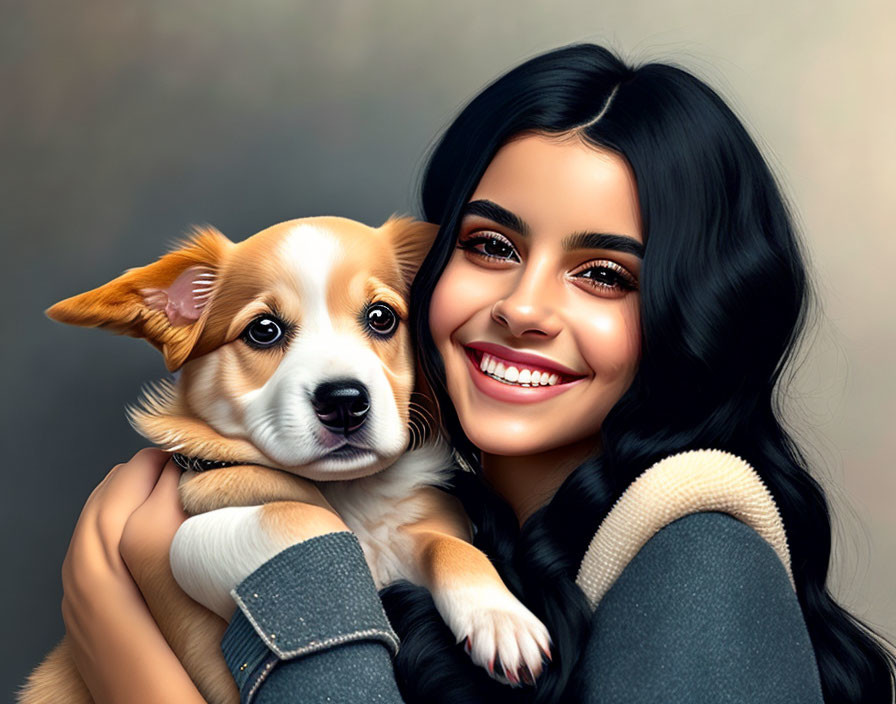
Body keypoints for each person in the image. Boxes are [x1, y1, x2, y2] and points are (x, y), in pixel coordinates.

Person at [59, 44, 896, 703]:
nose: (524, 308)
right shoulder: (477, 534)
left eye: (605, 274)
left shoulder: (697, 559)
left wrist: (138, 664)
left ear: (691, 316)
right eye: (490, 246)